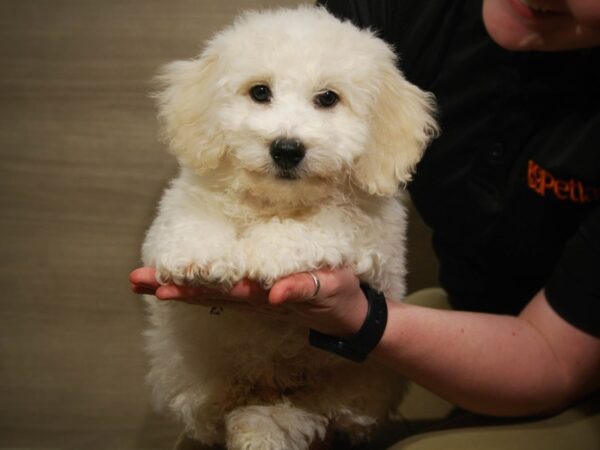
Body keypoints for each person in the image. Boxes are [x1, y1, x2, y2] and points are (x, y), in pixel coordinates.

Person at [130, 0, 599, 447]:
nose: (287, 135)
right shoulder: (392, 14)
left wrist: (363, 319)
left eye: (327, 99)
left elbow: (554, 359)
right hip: (454, 309)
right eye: (259, 94)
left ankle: (301, 419)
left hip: (555, 361)